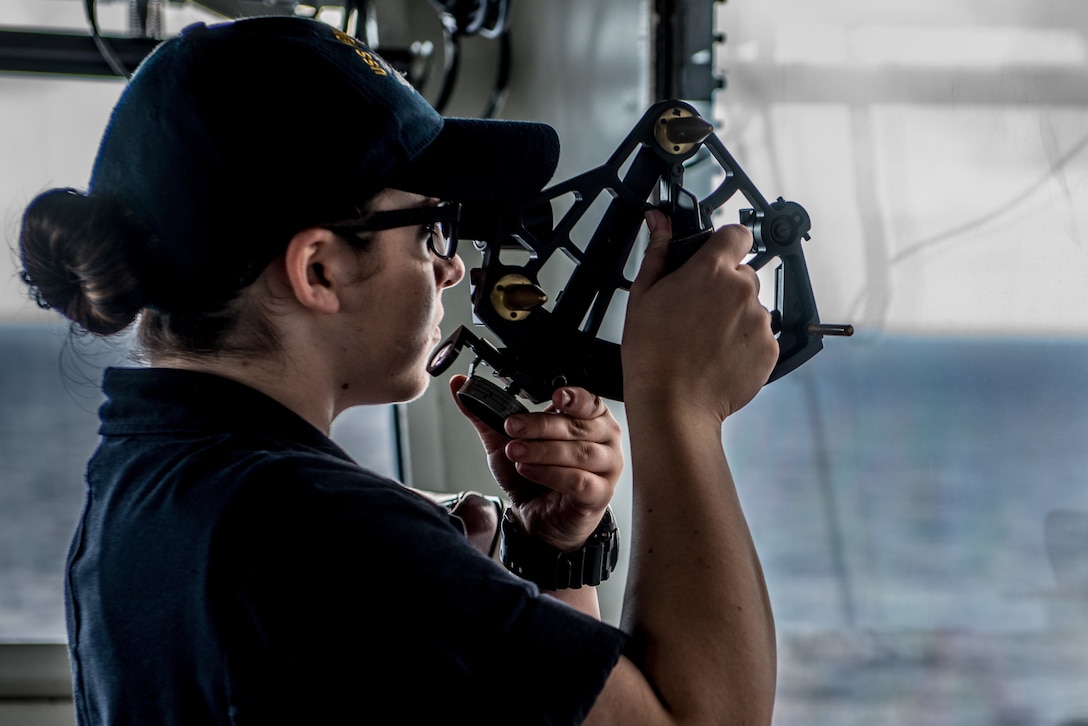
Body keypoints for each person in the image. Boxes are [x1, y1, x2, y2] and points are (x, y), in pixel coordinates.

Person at [18, 15, 780, 726]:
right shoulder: (331, 535)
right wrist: (677, 403)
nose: (451, 267)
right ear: (319, 269)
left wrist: (555, 554)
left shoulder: (145, 490)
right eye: (431, 228)